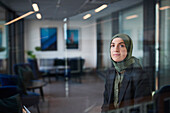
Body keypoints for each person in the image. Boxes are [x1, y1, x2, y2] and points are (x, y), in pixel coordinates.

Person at [101, 34, 152, 112]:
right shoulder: (110, 73)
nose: (116, 49)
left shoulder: (140, 75)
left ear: (128, 49)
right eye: (113, 45)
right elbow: (106, 104)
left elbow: (141, 109)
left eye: (121, 46)